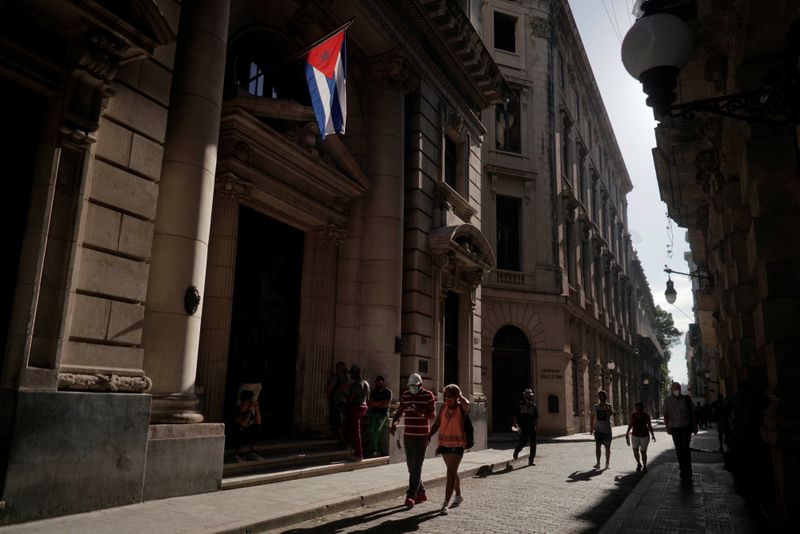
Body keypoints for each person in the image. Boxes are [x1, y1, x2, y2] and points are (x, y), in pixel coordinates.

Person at [389, 373, 436, 509]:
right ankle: (421, 492)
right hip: (408, 435)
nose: (412, 389)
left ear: (420, 385)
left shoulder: (428, 396)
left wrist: (421, 413)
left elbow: (433, 415)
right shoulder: (405, 395)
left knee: (416, 466)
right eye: (410, 386)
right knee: (411, 466)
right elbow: (399, 411)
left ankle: (411, 495)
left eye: (414, 386)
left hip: (422, 436)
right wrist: (394, 423)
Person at [427, 384, 470, 515]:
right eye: (446, 396)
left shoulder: (461, 408)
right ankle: (458, 495)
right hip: (444, 444)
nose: (447, 398)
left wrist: (460, 395)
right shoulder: (443, 408)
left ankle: (445, 502)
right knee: (452, 471)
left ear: (456, 397)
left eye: (451, 396)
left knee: (450, 473)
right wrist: (428, 435)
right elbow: (437, 424)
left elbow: (467, 402)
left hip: (457, 444)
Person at [662, 382, 698, 479]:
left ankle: (688, 468)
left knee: (686, 448)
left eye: (678, 388)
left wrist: (695, 425)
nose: (677, 390)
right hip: (675, 428)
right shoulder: (667, 400)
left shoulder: (686, 399)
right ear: (671, 390)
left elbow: (693, 412)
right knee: (679, 449)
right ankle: (682, 467)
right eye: (675, 389)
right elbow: (665, 414)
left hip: (686, 427)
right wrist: (667, 426)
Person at [231, 389, 262, 462]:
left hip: (246, 434)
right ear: (246, 401)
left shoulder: (250, 410)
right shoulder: (235, 410)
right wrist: (249, 411)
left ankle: (252, 452)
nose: (252, 402)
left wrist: (257, 410)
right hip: (233, 436)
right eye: (251, 400)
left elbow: (258, 422)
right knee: (240, 429)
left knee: (257, 428)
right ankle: (238, 454)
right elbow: (243, 424)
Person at [365, 375, 392, 457]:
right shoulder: (373, 392)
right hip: (374, 413)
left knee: (377, 430)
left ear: (383, 382)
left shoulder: (387, 392)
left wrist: (376, 404)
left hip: (383, 415)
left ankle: (375, 449)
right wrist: (379, 403)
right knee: (371, 429)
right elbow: (369, 404)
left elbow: (386, 404)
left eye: (380, 382)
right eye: (377, 382)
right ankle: (374, 448)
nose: (379, 383)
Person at [625, 401, 656, 473]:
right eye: (636, 408)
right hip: (635, 435)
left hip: (644, 436)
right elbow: (630, 424)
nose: (637, 409)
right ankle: (639, 463)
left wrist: (653, 435)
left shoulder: (646, 416)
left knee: (643, 452)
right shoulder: (633, 415)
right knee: (635, 451)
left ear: (641, 408)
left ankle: (644, 466)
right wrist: (627, 433)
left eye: (638, 407)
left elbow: (649, 426)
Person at [347, 364, 369, 461]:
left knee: (356, 431)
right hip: (364, 407)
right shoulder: (366, 383)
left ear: (356, 373)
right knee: (357, 430)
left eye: (351, 373)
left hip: (356, 407)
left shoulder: (355, 385)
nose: (350, 375)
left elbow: (351, 399)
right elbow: (368, 398)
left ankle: (358, 453)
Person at [511, 388, 539, 466]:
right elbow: (514, 415)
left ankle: (531, 460)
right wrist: (514, 424)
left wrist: (536, 426)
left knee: (533, 444)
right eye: (529, 394)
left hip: (532, 427)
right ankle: (517, 450)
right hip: (523, 426)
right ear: (525, 395)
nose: (531, 396)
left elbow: (536, 417)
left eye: (531, 395)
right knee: (523, 442)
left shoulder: (533, 405)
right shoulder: (520, 405)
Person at [326, 361, 349, 445]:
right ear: (338, 368)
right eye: (343, 366)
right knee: (339, 421)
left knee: (344, 421)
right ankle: (342, 438)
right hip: (337, 402)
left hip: (344, 402)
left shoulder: (345, 377)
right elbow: (328, 390)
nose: (345, 368)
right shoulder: (335, 377)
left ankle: (344, 437)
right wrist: (331, 400)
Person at [590, 390, 615, 469]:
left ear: (605, 397)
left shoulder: (609, 405)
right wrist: (591, 428)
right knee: (597, 447)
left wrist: (606, 408)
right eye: (600, 396)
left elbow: (610, 414)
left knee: (607, 447)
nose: (601, 398)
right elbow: (592, 417)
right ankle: (598, 463)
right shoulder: (595, 406)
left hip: (607, 431)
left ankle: (607, 463)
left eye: (603, 396)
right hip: (598, 430)